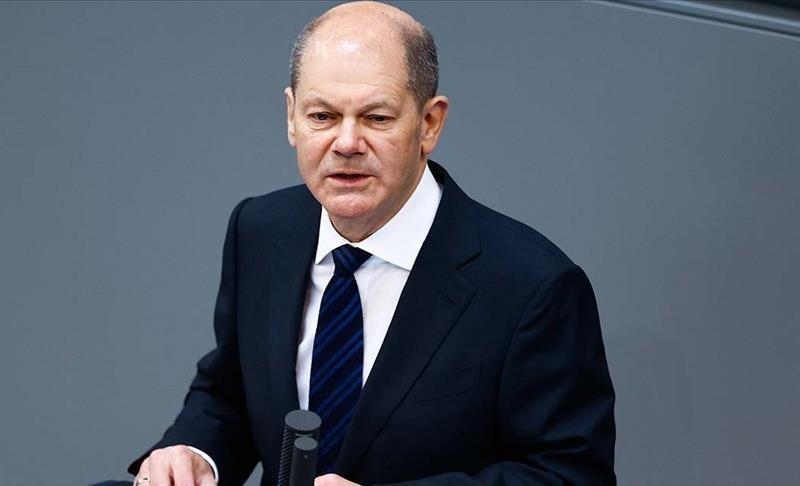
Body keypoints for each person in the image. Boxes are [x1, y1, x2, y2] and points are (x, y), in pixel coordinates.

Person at [125, 2, 615, 485]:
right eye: (322, 116)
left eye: (377, 118)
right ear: (292, 116)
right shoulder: (259, 230)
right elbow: (230, 390)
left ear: (429, 124)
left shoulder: (533, 286)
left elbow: (570, 474)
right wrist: (194, 453)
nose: (346, 143)